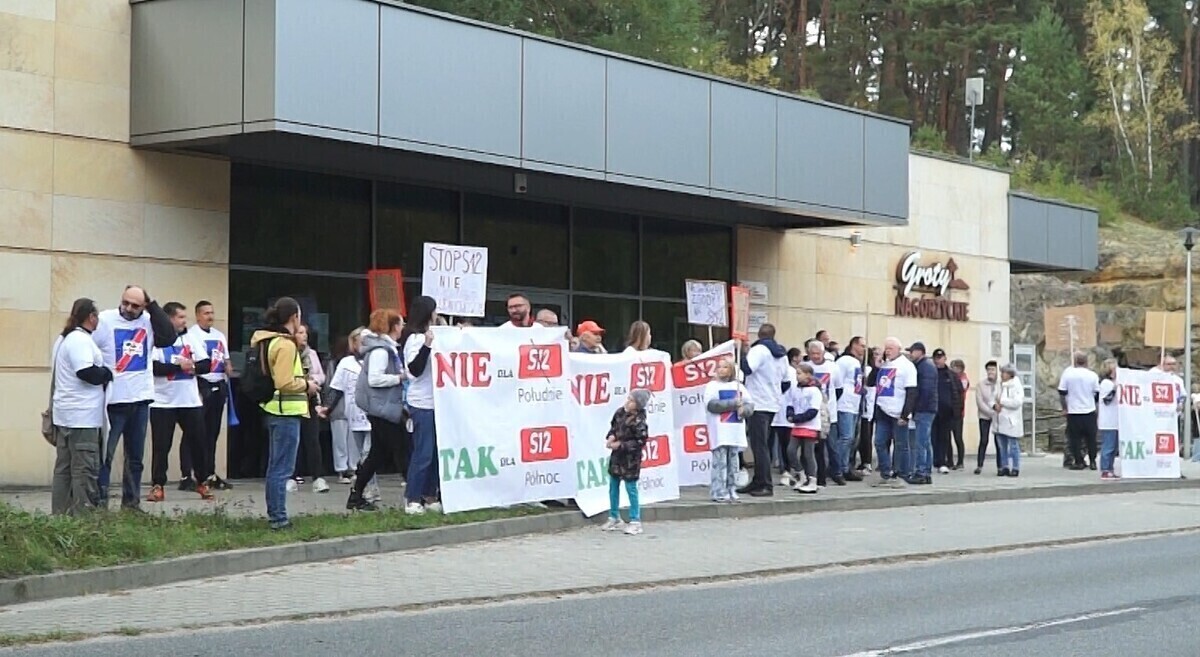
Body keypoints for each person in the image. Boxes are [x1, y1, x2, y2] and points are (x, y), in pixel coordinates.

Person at [92, 285, 176, 510]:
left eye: (135, 305)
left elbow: (169, 336)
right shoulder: (105, 320)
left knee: (135, 458)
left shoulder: (149, 321)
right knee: (105, 457)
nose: (128, 308)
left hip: (140, 399)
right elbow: (88, 347)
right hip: (114, 400)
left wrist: (153, 306)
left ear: (144, 306)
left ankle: (131, 504)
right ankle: (100, 504)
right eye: (126, 302)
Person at [250, 297, 317, 530]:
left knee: (275, 467)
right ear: (294, 318)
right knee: (282, 468)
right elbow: (285, 382)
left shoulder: (270, 340)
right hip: (286, 412)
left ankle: (275, 514)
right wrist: (307, 385)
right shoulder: (285, 345)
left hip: (274, 410)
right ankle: (278, 518)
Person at [147, 302, 214, 502]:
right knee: (161, 446)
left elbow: (206, 364)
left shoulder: (191, 338)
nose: (184, 321)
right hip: (162, 402)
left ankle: (202, 481)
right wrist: (178, 366)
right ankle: (158, 485)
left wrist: (193, 365)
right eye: (180, 317)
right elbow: (154, 367)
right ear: (169, 319)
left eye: (185, 317)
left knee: (199, 442)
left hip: (189, 401)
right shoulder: (157, 340)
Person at [50, 298, 111, 515]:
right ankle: (82, 520)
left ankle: (60, 516)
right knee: (84, 470)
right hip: (82, 417)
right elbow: (86, 373)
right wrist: (107, 373)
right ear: (91, 317)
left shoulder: (64, 339)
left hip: (65, 415)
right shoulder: (80, 340)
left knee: (64, 470)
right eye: (97, 317)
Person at [346, 310, 408, 512]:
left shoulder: (382, 348)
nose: (402, 328)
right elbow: (375, 379)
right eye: (400, 324)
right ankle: (416, 495)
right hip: (384, 409)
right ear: (392, 327)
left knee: (377, 455)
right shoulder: (381, 351)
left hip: (381, 408)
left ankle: (356, 495)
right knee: (403, 451)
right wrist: (399, 377)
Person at [737, 323, 789, 497]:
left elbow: (747, 368)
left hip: (757, 402)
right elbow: (786, 381)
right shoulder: (782, 355)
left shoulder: (759, 350)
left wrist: (742, 352)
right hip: (771, 402)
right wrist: (774, 393)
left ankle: (765, 484)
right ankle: (758, 480)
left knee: (759, 445)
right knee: (762, 444)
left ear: (759, 334)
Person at [187, 300, 233, 492]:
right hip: (201, 384)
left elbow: (226, 359)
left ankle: (210, 473)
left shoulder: (219, 336)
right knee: (195, 431)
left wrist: (229, 368)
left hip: (218, 385)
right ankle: (187, 475)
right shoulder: (192, 335)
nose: (210, 316)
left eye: (212, 312)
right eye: (206, 313)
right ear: (198, 315)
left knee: (212, 433)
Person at [402, 296, 442, 514]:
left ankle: (429, 494)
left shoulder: (435, 335)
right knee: (423, 452)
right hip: (422, 403)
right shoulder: (415, 339)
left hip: (438, 403)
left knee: (435, 452)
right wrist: (427, 345)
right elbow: (415, 370)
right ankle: (412, 498)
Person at [320, 327, 371, 484]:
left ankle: (364, 477)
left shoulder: (378, 359)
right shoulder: (345, 363)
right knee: (346, 442)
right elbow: (336, 388)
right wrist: (327, 407)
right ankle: (348, 472)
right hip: (350, 410)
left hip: (372, 412)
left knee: (368, 450)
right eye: (361, 341)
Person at [601, 389, 651, 535]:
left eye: (631, 400)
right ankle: (614, 516)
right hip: (617, 457)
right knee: (613, 485)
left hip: (631, 459)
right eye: (628, 398)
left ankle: (635, 520)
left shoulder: (640, 422)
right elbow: (614, 428)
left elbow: (640, 442)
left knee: (631, 488)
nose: (627, 402)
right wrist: (611, 437)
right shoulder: (619, 413)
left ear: (638, 405)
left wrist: (621, 445)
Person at [704, 359, 752, 503]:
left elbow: (750, 404)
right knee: (720, 462)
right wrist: (732, 404)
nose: (721, 369)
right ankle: (718, 490)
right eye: (719, 367)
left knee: (733, 462)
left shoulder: (739, 387)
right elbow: (711, 405)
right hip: (720, 430)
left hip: (734, 430)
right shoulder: (712, 386)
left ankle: (732, 488)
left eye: (725, 367)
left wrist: (745, 410)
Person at [872, 337, 918, 487]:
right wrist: (876, 368)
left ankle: (902, 475)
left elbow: (911, 392)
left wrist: (905, 414)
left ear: (899, 349)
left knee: (901, 445)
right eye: (886, 348)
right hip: (882, 410)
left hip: (898, 411)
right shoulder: (884, 365)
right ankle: (886, 473)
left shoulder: (907, 366)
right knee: (879, 442)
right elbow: (870, 382)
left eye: (891, 348)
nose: (887, 351)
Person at [290, 324, 329, 494]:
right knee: (293, 441)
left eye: (305, 333)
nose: (303, 336)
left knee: (312, 440)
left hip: (310, 400)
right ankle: (291, 477)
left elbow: (321, 375)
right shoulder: (289, 352)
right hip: (292, 400)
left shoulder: (311, 354)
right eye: (299, 332)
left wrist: (313, 380)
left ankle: (318, 477)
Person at [806, 339, 842, 486]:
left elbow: (839, 389)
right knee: (814, 447)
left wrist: (828, 404)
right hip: (812, 414)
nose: (815, 356)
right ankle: (816, 474)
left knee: (832, 446)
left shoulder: (833, 367)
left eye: (818, 353)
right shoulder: (807, 367)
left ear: (823, 353)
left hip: (829, 413)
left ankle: (837, 472)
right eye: (813, 353)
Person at [785, 362, 823, 494]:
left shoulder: (814, 391)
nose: (797, 376)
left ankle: (813, 480)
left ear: (808, 375)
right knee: (791, 451)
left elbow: (813, 411)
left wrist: (798, 418)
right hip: (797, 426)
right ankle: (801, 475)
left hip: (810, 426)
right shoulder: (795, 389)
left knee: (808, 454)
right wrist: (790, 414)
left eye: (799, 373)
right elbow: (790, 404)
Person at [1058, 351, 1100, 470]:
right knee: (1091, 438)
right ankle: (1092, 461)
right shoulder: (1092, 375)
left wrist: (1064, 408)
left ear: (1075, 361)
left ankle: (1079, 461)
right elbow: (1097, 393)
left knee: (1075, 439)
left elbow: (1062, 392)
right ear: (1086, 361)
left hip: (1074, 411)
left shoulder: (1068, 374)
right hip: (1089, 410)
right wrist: (1095, 407)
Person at [834, 336, 867, 482]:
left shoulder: (857, 363)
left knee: (852, 438)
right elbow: (837, 381)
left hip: (854, 403)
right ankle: (838, 468)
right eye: (861, 346)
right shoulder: (844, 361)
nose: (863, 349)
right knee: (845, 437)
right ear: (854, 345)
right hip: (845, 404)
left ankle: (846, 466)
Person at [907, 342, 938, 485]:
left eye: (912, 351)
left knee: (921, 442)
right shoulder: (925, 366)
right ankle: (926, 471)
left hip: (924, 409)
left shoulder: (925, 367)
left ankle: (921, 472)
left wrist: (916, 407)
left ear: (920, 352)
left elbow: (924, 390)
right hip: (926, 408)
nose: (910, 354)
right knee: (925, 441)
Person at [931, 348, 963, 475]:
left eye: (940, 358)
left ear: (945, 358)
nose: (938, 360)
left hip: (947, 412)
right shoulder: (931, 372)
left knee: (944, 438)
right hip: (933, 410)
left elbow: (959, 393)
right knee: (933, 437)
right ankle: (936, 461)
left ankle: (943, 462)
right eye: (936, 358)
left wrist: (957, 410)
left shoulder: (951, 375)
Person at [994, 363, 1025, 477]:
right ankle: (1004, 466)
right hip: (999, 419)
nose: (1002, 374)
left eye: (1004, 372)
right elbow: (993, 398)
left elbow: (1017, 402)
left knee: (1013, 445)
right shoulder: (1000, 385)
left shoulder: (1016, 385)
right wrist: (994, 405)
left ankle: (1015, 467)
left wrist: (1002, 402)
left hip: (1011, 420)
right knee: (1002, 445)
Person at [856, 346, 881, 473]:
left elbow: (869, 383)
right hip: (862, 406)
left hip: (868, 407)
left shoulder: (869, 369)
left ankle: (867, 462)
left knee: (866, 435)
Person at [974, 361, 1000, 475]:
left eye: (993, 369)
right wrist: (990, 412)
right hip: (984, 415)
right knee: (984, 440)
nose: (991, 372)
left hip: (998, 416)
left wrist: (996, 412)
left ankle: (1001, 466)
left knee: (999, 441)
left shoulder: (1000, 385)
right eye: (989, 369)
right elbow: (980, 402)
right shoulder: (980, 385)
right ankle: (979, 465)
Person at [1098, 359, 1119, 479]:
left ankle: (1110, 467)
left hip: (1115, 419)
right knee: (1108, 445)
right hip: (1108, 420)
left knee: (1114, 446)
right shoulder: (1106, 383)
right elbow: (1107, 400)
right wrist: (1115, 389)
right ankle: (1105, 468)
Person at [950, 359, 968, 470]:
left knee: (958, 437)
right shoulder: (953, 378)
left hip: (959, 412)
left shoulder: (963, 379)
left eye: (955, 367)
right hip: (950, 411)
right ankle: (950, 461)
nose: (953, 370)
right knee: (948, 437)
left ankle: (960, 461)